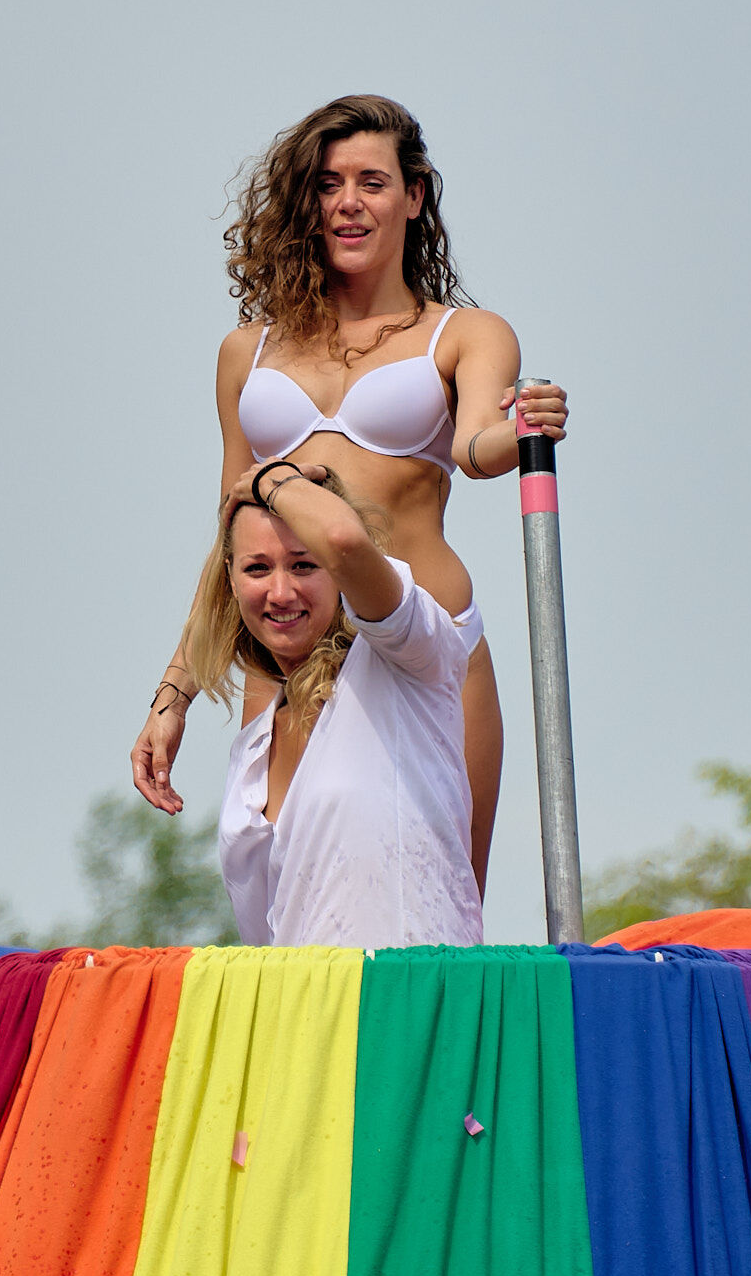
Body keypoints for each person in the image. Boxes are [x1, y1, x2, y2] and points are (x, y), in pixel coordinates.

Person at [130, 94, 568, 893]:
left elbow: (475, 447)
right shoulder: (246, 352)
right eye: (328, 185)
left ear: (414, 194)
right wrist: (174, 694)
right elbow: (230, 539)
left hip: (422, 643)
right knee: (287, 909)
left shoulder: (466, 334)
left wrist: (524, 430)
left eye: (371, 182)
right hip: (291, 649)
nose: (347, 203)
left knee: (440, 904)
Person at [187, 462, 482, 949]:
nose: (281, 592)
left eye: (304, 565)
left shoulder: (406, 660)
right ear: (231, 580)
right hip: (303, 996)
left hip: (414, 987)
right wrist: (171, 700)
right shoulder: (252, 747)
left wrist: (267, 479)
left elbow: (344, 538)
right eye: (257, 568)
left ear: (341, 573)